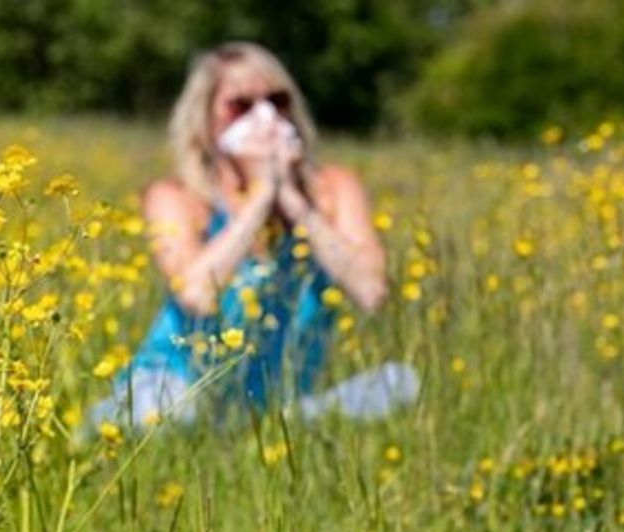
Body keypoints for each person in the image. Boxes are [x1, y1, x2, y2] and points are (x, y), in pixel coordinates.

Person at [90, 41, 418, 429]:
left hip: (283, 403)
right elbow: (196, 294)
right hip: (175, 386)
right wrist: (260, 199)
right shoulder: (176, 196)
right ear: (206, 122)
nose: (264, 118)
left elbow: (372, 292)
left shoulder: (333, 189)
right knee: (168, 412)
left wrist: (295, 203)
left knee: (402, 383)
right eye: (241, 106)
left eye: (277, 102)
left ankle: (271, 430)